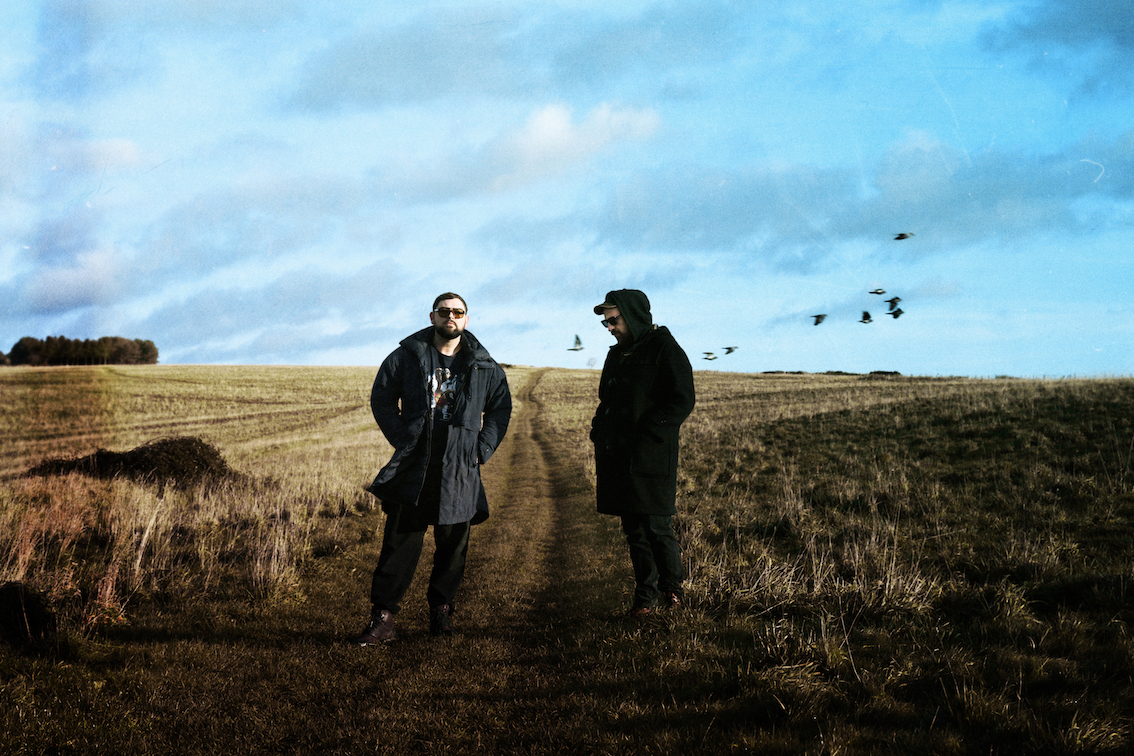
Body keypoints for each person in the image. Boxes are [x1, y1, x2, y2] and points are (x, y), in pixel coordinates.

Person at [354, 293, 512, 644]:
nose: (450, 317)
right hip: (416, 465)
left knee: (453, 547)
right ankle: (383, 619)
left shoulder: (484, 365)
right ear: (433, 316)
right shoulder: (406, 356)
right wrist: (403, 438)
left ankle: (441, 613)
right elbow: (382, 398)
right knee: (399, 544)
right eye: (444, 311)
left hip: (459, 467)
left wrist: (481, 448)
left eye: (458, 312)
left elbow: (500, 409)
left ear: (466, 319)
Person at [590, 289, 695, 616]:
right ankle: (644, 600)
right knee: (634, 529)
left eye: (613, 321)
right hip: (618, 456)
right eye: (606, 323)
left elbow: (682, 399)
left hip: (651, 456)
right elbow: (606, 399)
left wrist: (648, 431)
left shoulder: (665, 348)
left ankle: (672, 595)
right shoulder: (616, 355)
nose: (610, 328)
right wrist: (599, 429)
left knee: (656, 527)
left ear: (633, 316)